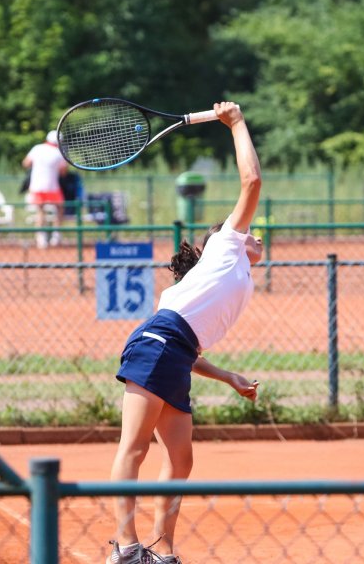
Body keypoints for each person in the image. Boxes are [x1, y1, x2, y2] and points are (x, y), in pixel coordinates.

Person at [106, 102, 261, 564]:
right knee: (133, 448)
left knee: (180, 460)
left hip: (175, 352)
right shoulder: (226, 248)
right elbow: (251, 181)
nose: (255, 235)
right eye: (248, 231)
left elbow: (188, 349)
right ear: (225, 238)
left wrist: (229, 376)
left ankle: (162, 550)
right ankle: (126, 548)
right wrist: (235, 123)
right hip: (159, 345)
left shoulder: (230, 277)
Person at [22, 130, 67, 248]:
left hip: (36, 186)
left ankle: (41, 239)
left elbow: (26, 163)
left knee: (40, 212)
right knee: (60, 209)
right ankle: (56, 236)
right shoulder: (59, 153)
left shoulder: (37, 148)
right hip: (52, 187)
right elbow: (63, 172)